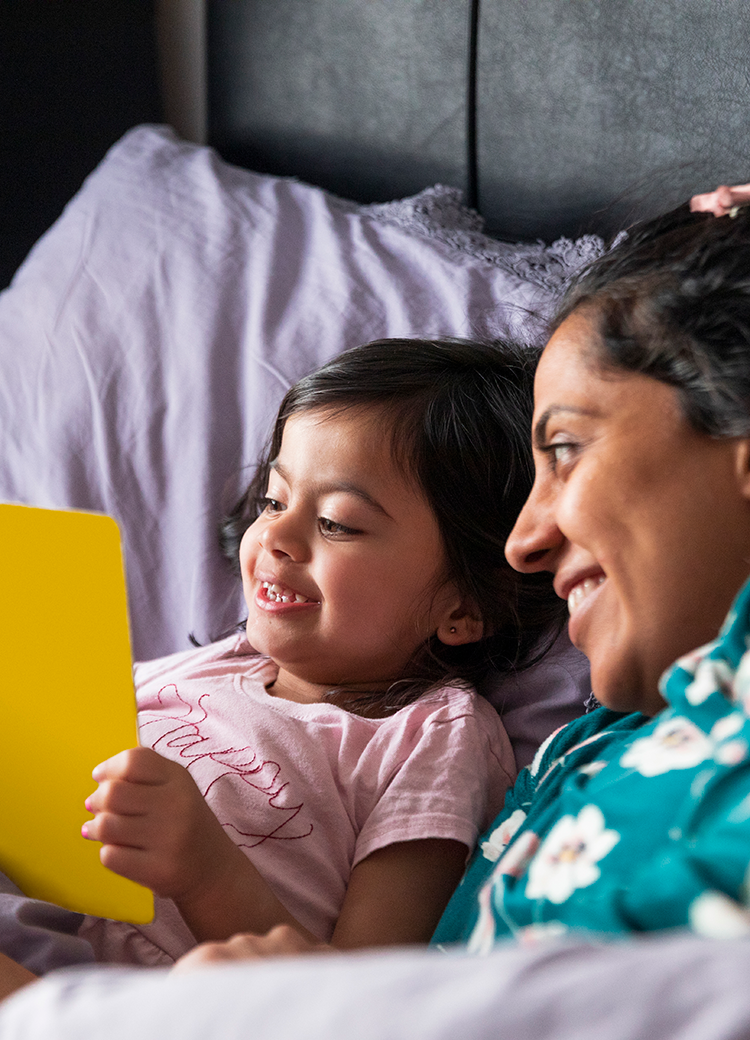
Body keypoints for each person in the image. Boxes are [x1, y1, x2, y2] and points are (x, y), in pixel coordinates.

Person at [165, 183, 750, 973]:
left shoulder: (439, 735)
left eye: (566, 450)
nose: (523, 544)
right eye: (272, 501)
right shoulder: (601, 740)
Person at [51, 336, 561, 968]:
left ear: (465, 608)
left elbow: (357, 988)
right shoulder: (200, 670)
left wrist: (209, 873)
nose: (277, 536)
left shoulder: (432, 737)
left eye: (337, 522)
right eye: (274, 500)